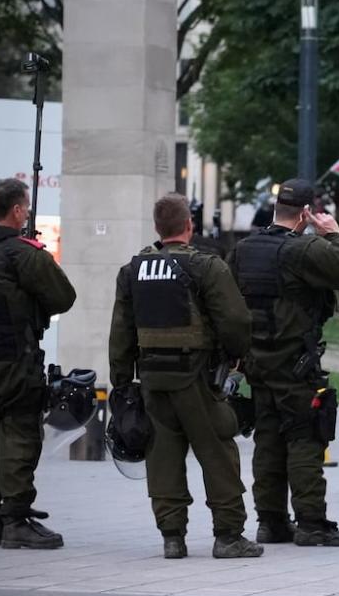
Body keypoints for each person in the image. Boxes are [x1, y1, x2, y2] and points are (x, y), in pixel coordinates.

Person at [108, 193, 260, 559]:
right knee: (217, 449)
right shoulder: (205, 267)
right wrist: (239, 357)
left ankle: (172, 537)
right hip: (197, 377)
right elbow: (236, 321)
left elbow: (121, 331)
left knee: (162, 454)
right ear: (189, 225)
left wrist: (121, 381)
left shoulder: (133, 270)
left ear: (158, 228)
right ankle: (228, 536)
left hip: (152, 379)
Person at [230, 178, 339, 547]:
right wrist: (335, 234)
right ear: (306, 212)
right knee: (305, 437)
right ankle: (311, 523)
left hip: (257, 362)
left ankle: (270, 522)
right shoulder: (302, 249)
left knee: (268, 439)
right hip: (295, 362)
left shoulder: (244, 249)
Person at [0, 178, 76, 549]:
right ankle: (16, 520)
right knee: (21, 436)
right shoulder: (23, 254)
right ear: (19, 210)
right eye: (25, 207)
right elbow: (63, 297)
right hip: (16, 363)